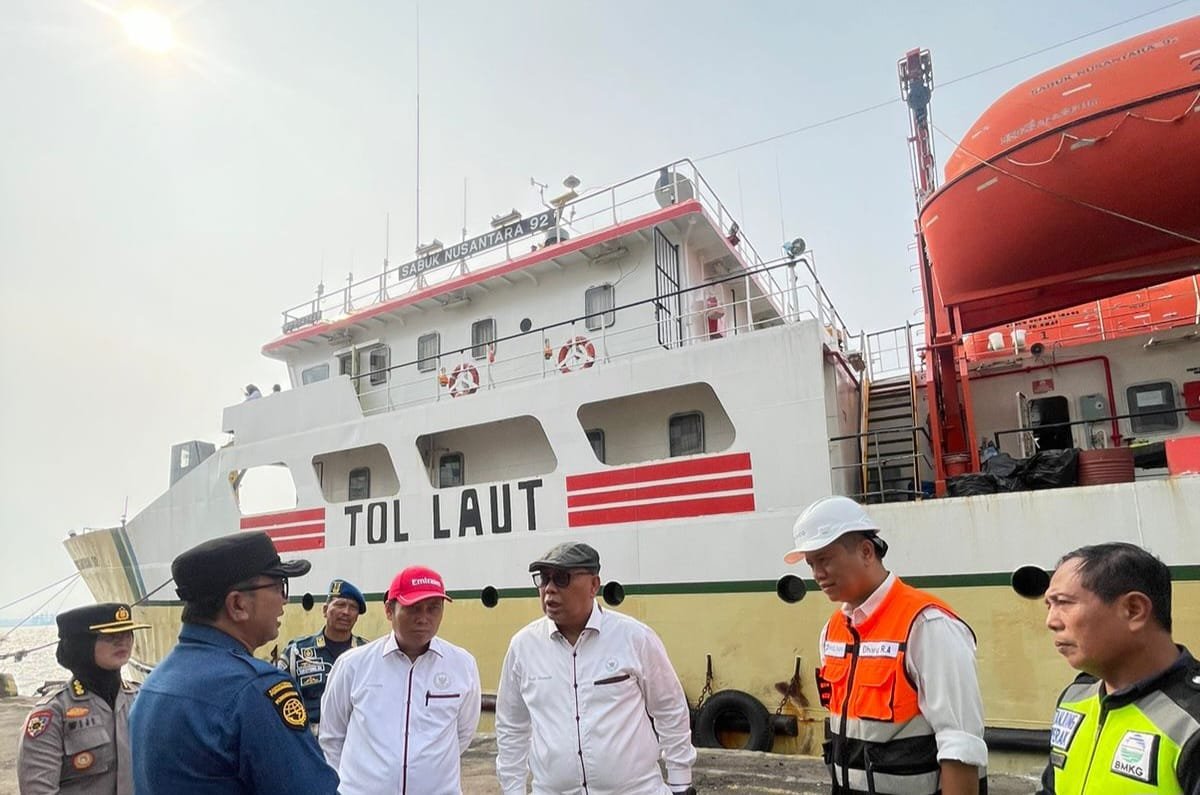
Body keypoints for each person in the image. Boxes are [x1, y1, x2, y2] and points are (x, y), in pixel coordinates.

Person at [783, 496, 987, 795]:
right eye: (811, 563)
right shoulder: (833, 632)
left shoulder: (927, 625)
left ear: (866, 552)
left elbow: (960, 744)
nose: (817, 574)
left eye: (825, 559)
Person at [128, 531, 339, 794]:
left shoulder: (154, 683)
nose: (284, 600)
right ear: (238, 605)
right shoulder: (256, 689)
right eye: (278, 586)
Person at [495, 542, 696, 795]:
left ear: (593, 585)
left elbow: (669, 709)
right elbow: (511, 726)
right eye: (543, 579)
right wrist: (512, 790)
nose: (549, 589)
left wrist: (680, 783)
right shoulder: (523, 647)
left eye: (561, 578)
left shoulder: (634, 637)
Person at [1037, 542, 1199, 794]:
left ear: (1134, 610)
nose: (1051, 621)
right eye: (1049, 605)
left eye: (1064, 603)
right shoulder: (1075, 697)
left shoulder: (1191, 719)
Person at [320, 565, 481, 795]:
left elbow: (463, 733)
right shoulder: (353, 665)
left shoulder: (462, 665)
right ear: (389, 610)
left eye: (433, 608)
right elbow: (332, 737)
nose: (423, 618)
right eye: (414, 608)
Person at [17, 602, 150, 794]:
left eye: (127, 633)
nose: (122, 642)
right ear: (82, 645)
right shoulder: (54, 714)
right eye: (109, 636)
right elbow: (38, 789)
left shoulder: (141, 699)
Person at [277, 578, 368, 731]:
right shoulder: (297, 653)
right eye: (340, 605)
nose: (346, 612)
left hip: (353, 741)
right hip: (310, 741)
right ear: (325, 610)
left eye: (353, 607)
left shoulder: (366, 654)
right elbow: (279, 700)